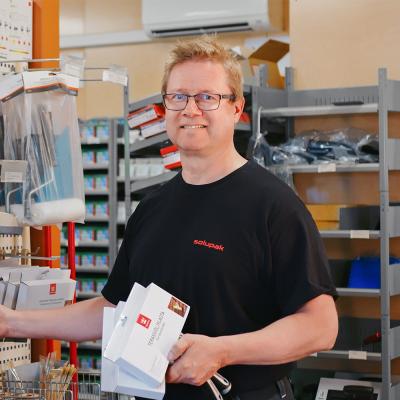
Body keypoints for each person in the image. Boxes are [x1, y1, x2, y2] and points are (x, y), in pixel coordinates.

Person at [0, 36, 338, 400]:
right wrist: (12, 322)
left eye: (207, 97)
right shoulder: (152, 209)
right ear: (165, 108)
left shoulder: (274, 207)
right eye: (178, 97)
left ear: (236, 108)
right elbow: (112, 310)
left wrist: (222, 351)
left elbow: (320, 327)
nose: (190, 109)